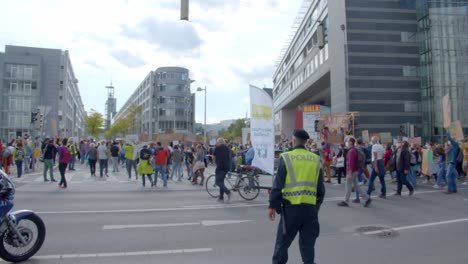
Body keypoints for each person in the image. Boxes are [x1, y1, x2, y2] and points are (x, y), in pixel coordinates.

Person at [268, 129, 325, 264]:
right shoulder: (316, 159)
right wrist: (315, 207)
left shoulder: (286, 157)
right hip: (310, 210)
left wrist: (272, 206)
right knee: (308, 248)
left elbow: (278, 185)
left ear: (293, 140)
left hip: (291, 210)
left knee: (282, 245)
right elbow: (320, 190)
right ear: (306, 142)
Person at [338, 138, 372, 207]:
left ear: (350, 142)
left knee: (348, 186)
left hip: (351, 171)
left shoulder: (351, 151)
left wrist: (349, 173)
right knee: (356, 186)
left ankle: (346, 201)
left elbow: (351, 163)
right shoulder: (354, 150)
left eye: (347, 141)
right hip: (355, 170)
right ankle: (367, 198)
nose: (346, 142)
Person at [213, 138, 232, 203]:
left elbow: (214, 157)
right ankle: (221, 198)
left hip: (220, 167)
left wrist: (215, 162)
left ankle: (228, 192)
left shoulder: (217, 148)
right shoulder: (227, 148)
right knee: (221, 182)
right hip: (227, 167)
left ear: (219, 142)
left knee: (218, 182)